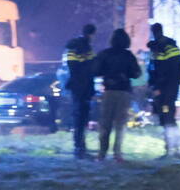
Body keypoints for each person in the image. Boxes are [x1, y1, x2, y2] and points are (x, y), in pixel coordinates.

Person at [93, 29, 143, 161]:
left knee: (105, 123)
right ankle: (117, 153)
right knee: (120, 124)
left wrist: (108, 75)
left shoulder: (104, 54)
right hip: (124, 91)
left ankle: (102, 153)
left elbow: (95, 70)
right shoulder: (128, 55)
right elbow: (136, 73)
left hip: (109, 90)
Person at [146, 22, 180, 158]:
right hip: (168, 88)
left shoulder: (162, 48)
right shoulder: (170, 47)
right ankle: (173, 148)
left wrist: (156, 87)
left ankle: (174, 149)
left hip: (166, 89)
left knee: (167, 116)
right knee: (166, 117)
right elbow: (155, 69)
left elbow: (160, 70)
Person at [60, 23, 98, 160]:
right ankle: (80, 148)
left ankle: (79, 147)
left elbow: (72, 67)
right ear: (92, 34)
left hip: (76, 87)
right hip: (84, 87)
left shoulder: (72, 47)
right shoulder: (87, 48)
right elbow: (92, 67)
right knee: (81, 118)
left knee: (79, 118)